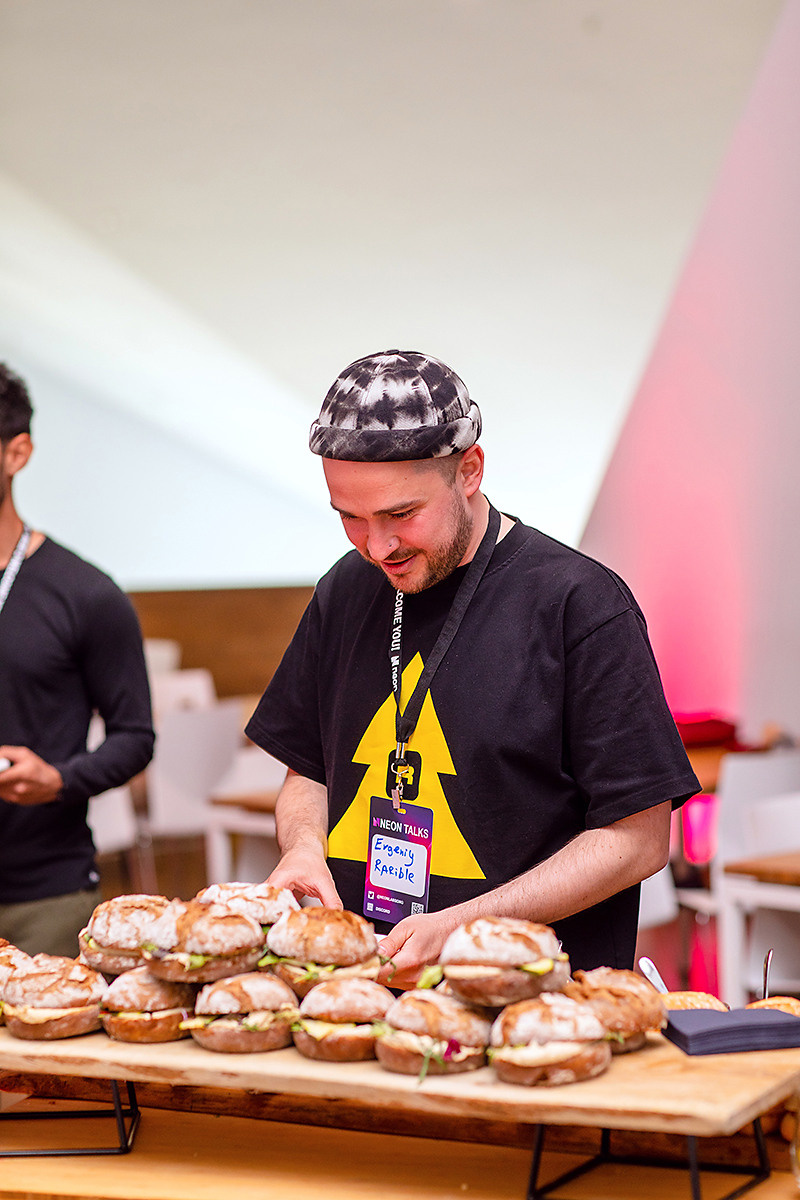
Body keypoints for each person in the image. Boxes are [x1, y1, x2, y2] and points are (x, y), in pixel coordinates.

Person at [246, 349, 699, 988]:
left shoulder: (579, 603)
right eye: (350, 517)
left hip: (537, 1008)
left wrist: (465, 923)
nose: (378, 548)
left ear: (470, 471)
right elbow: (308, 771)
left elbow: (639, 840)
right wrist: (302, 848)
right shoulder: (345, 590)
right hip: (357, 994)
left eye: (401, 514)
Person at [0, 364, 155, 956]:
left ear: (18, 453)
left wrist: (59, 779)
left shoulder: (85, 593)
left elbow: (135, 737)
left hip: (43, 895)